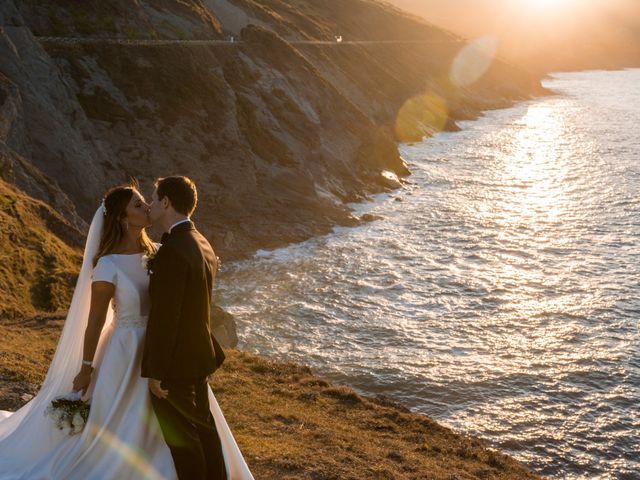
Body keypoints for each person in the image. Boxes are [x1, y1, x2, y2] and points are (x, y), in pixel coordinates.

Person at [0, 180, 254, 480]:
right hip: (126, 350)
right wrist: (86, 366)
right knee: (134, 419)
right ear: (122, 217)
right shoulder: (108, 264)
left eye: (148, 200)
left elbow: (181, 289)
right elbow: (95, 320)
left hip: (165, 350)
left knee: (182, 421)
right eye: (137, 205)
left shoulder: (160, 251)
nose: (147, 206)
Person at [142, 176, 229, 480]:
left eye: (153, 199)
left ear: (166, 202)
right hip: (199, 355)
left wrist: (156, 371)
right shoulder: (201, 241)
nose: (149, 206)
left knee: (182, 440)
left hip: (176, 364)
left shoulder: (173, 251)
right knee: (204, 430)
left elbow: (167, 317)